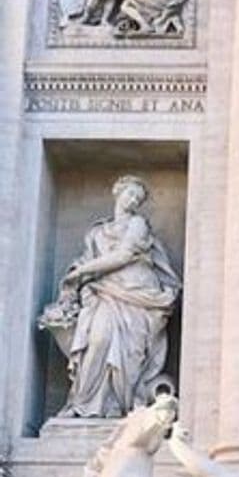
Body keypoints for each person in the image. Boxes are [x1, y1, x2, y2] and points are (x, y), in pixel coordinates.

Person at [38, 174, 181, 419]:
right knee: (99, 339)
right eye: (130, 193)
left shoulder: (138, 225)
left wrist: (83, 271)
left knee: (130, 352)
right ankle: (84, 404)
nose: (134, 200)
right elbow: (88, 259)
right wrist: (77, 272)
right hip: (105, 292)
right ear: (117, 191)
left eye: (139, 197)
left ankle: (120, 406)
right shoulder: (97, 231)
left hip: (138, 294)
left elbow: (123, 256)